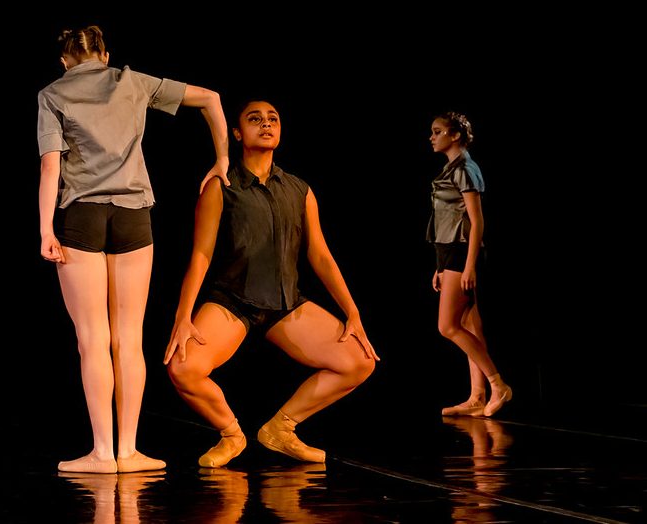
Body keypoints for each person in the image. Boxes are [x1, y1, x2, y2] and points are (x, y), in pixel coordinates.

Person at [37, 25, 230, 474]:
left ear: (65, 60)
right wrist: (221, 160)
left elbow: (50, 167)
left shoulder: (52, 93)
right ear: (104, 54)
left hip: (81, 215)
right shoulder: (130, 80)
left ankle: (102, 454)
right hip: (133, 215)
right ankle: (130, 451)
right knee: (129, 339)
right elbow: (212, 98)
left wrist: (46, 227)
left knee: (92, 340)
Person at [163, 99, 378, 468]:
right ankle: (231, 433)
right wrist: (183, 317)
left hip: (286, 303)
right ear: (237, 133)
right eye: (255, 119)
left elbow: (321, 256)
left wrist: (353, 312)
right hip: (232, 300)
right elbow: (200, 254)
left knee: (359, 361)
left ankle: (281, 428)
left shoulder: (299, 189)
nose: (266, 124)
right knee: (183, 367)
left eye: (273, 119)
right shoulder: (221, 185)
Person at [427, 111, 512, 418]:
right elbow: (445, 221)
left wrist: (470, 266)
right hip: (450, 252)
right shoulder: (451, 168)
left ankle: (497, 384)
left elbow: (476, 222)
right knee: (468, 325)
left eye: (437, 131)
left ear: (455, 136)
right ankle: (477, 396)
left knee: (447, 326)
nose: (432, 137)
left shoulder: (465, 168)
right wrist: (439, 266)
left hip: (463, 253)